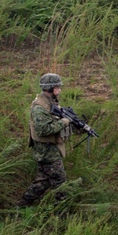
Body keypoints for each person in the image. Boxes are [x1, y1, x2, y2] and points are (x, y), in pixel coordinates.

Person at [17, 73, 72, 206]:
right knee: (60, 181)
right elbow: (43, 130)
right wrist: (64, 122)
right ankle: (62, 212)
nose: (60, 90)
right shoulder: (39, 108)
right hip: (46, 150)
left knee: (44, 180)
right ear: (50, 88)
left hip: (50, 148)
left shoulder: (50, 103)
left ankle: (23, 205)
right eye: (57, 87)